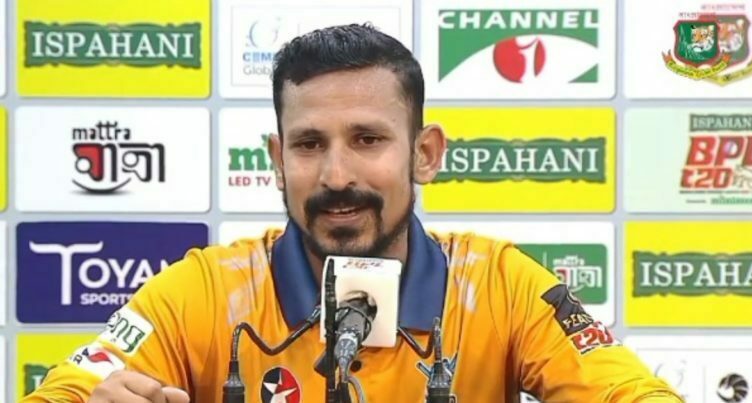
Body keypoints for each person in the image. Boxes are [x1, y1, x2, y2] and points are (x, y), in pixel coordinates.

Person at [22, 24, 683, 403]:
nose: (336, 175)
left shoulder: (502, 286)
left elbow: (634, 393)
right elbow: (66, 390)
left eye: (368, 139)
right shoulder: (203, 292)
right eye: (310, 144)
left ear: (424, 153)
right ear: (278, 159)